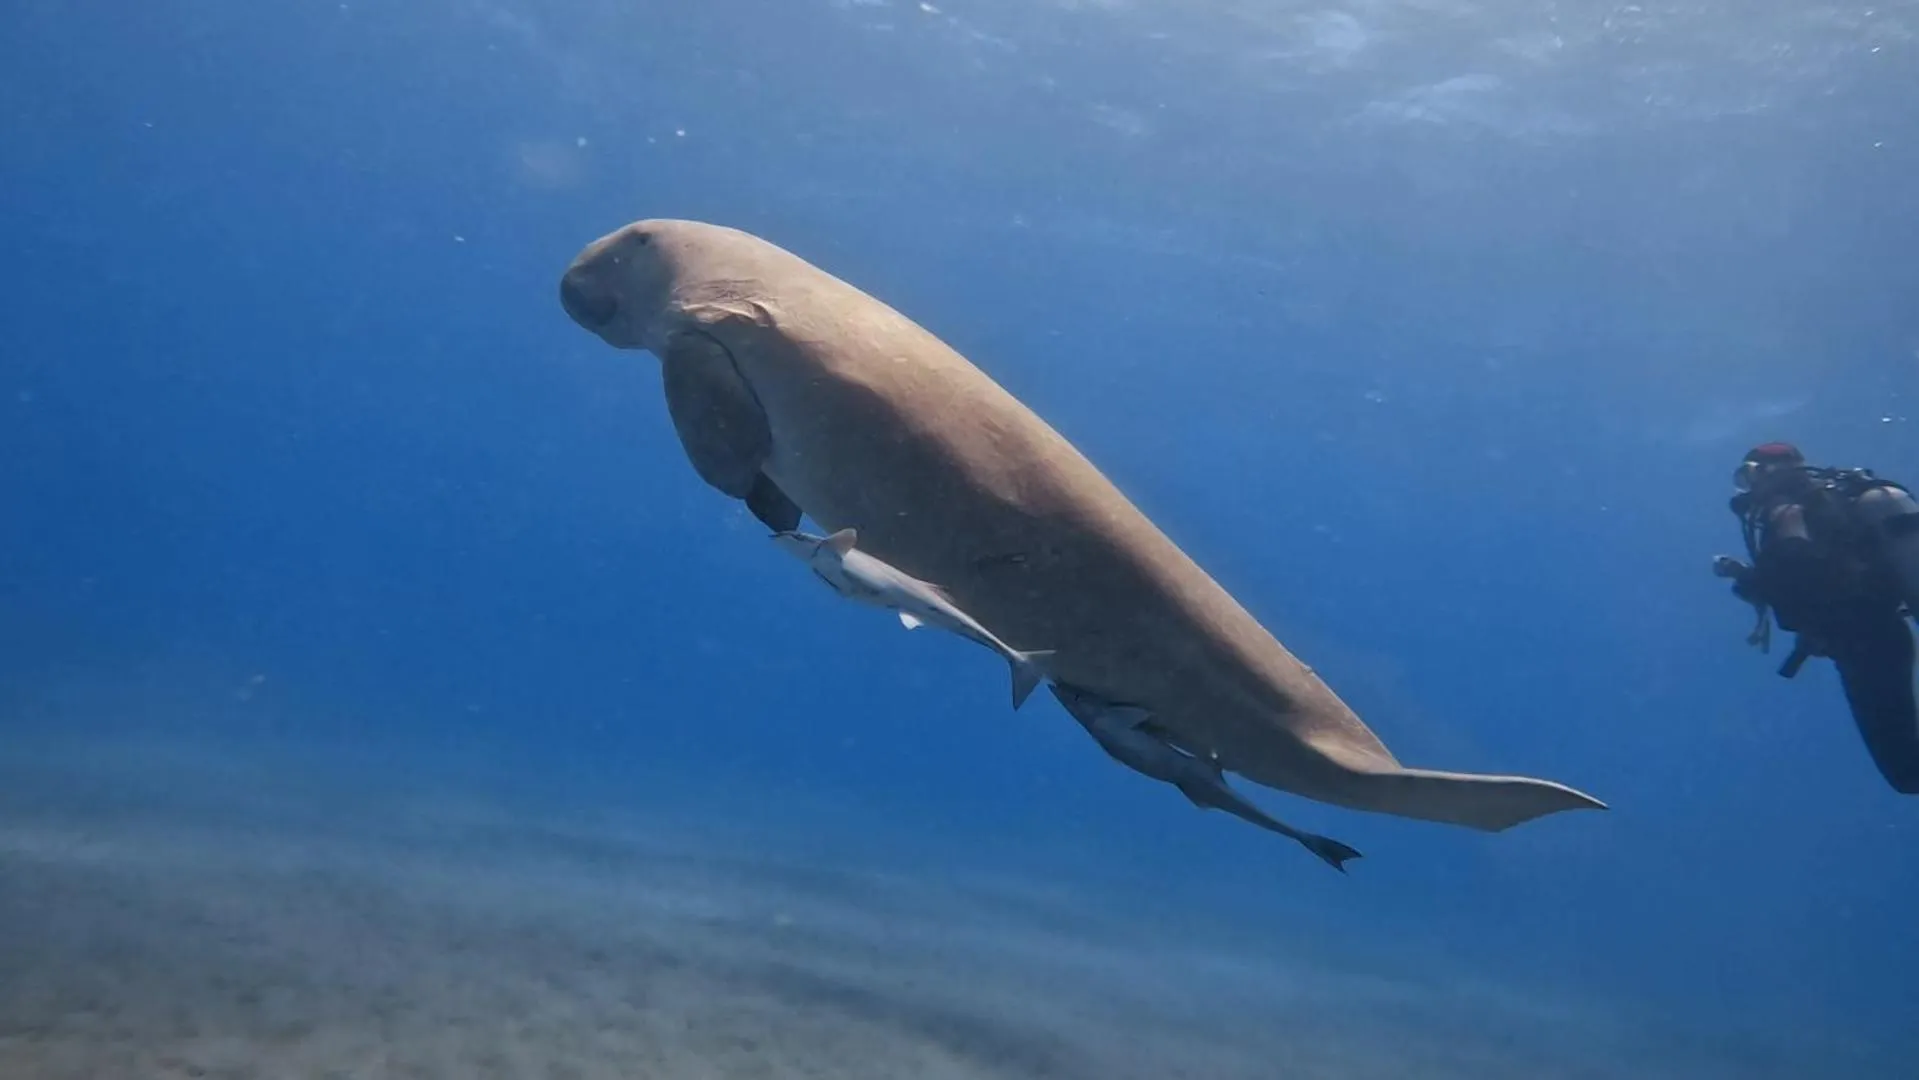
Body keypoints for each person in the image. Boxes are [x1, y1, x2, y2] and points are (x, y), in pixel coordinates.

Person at [1712, 441, 1919, 793]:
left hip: (1861, 643)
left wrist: (1752, 580)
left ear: (1767, 471)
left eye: (1748, 476)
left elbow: (1802, 573)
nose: (1748, 488)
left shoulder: (1787, 509)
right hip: (1879, 634)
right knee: (1907, 767)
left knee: (1907, 771)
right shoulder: (1830, 505)